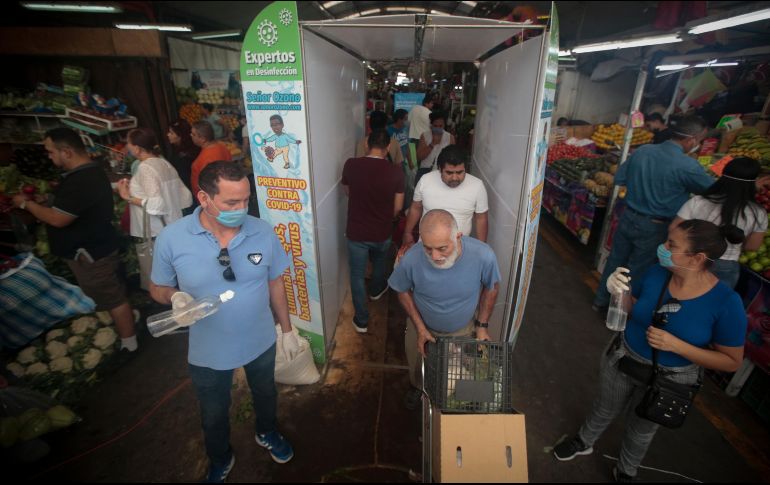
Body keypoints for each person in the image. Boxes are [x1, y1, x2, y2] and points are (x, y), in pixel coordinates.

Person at [554, 219, 747, 481]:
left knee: (641, 428)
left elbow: (731, 361)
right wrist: (619, 292)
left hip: (669, 379)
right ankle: (583, 441)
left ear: (697, 258)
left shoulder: (726, 302)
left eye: (671, 244)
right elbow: (635, 308)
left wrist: (676, 345)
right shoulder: (658, 273)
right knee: (604, 407)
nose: (662, 247)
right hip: (623, 358)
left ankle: (626, 470)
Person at [149, 162, 298, 482]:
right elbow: (157, 286)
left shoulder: (262, 231)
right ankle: (220, 456)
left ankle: (267, 432)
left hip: (260, 340)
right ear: (204, 198)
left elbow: (275, 282)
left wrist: (286, 329)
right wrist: (174, 297)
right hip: (208, 350)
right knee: (214, 411)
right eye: (231, 203)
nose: (241, 209)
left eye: (246, 200)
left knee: (266, 393)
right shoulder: (172, 239)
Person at [11, 128, 139, 353]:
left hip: (91, 252)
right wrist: (48, 200)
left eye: (51, 152)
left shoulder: (82, 180)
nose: (49, 157)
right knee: (111, 293)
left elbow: (58, 219)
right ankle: (127, 327)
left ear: (67, 152)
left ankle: (130, 343)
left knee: (112, 298)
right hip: (96, 247)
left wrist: (26, 204)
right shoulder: (87, 173)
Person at [592, 115, 714, 313]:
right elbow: (713, 191)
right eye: (699, 141)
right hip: (655, 226)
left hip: (628, 216)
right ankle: (620, 313)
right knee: (636, 270)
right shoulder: (688, 166)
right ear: (692, 139)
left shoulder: (643, 151)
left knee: (615, 262)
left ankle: (600, 301)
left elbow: (619, 179)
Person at [389, 209, 500, 410]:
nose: (435, 256)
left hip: (463, 328)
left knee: (461, 374)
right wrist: (420, 327)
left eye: (442, 248)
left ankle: (458, 400)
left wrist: (482, 325)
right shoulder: (412, 258)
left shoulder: (483, 255)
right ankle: (418, 387)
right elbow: (401, 290)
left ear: (458, 236)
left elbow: (492, 287)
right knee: (417, 365)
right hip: (421, 326)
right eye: (428, 248)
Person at [342, 130, 405, 333]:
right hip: (382, 231)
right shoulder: (396, 172)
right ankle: (377, 290)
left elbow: (348, 191)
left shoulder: (351, 165)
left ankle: (361, 320)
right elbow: (397, 208)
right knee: (379, 262)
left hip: (356, 231)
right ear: (388, 148)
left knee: (357, 275)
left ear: (367, 143)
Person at [672, 157, 766, 288]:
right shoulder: (758, 213)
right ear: (753, 182)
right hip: (726, 266)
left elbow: (674, 228)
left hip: (691, 258)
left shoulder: (698, 202)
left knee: (679, 296)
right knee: (712, 305)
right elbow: (752, 246)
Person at [116, 128, 193, 257]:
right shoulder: (164, 163)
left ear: (137, 148)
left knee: (161, 271)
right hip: (173, 226)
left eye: (128, 143)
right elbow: (185, 197)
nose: (127, 146)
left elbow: (156, 204)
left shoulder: (145, 168)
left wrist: (127, 196)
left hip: (157, 232)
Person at [402, 145, 489, 250]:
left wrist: (482, 248)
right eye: (449, 172)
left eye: (460, 172)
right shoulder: (425, 181)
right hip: (427, 248)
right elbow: (416, 207)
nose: (455, 177)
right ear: (439, 169)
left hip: (459, 251)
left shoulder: (477, 186)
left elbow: (481, 218)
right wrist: (407, 232)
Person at [190, 121, 232, 197]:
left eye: (193, 134)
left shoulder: (205, 158)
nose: (190, 135)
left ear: (203, 139)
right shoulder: (222, 148)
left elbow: (209, 186)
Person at [415, 111, 455, 185]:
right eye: (435, 126)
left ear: (444, 125)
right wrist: (432, 144)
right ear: (431, 125)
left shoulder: (450, 137)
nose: (438, 128)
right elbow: (419, 157)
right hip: (426, 169)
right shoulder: (425, 136)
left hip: (442, 171)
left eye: (441, 126)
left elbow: (453, 158)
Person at [167, 119, 200, 194]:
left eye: (171, 133)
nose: (168, 135)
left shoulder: (183, 157)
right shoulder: (191, 148)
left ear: (180, 136)